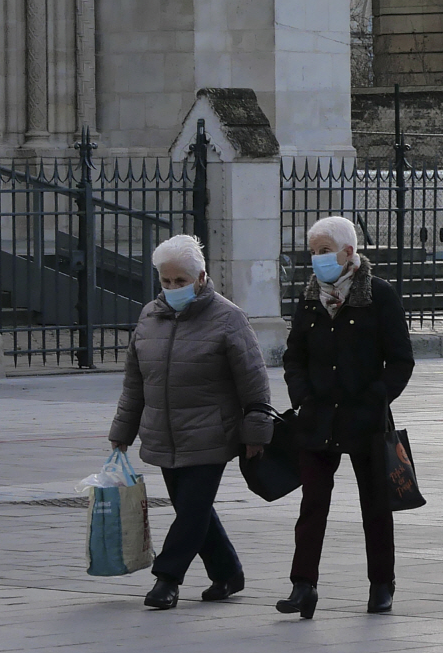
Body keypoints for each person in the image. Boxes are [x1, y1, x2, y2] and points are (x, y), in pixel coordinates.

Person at [108, 234, 272, 610]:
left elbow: (254, 381)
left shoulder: (228, 317)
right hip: (163, 433)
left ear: (200, 277)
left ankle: (167, 579)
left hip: (211, 433)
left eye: (180, 281)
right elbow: (136, 382)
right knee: (191, 509)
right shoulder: (150, 316)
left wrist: (257, 432)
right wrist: (122, 432)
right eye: (165, 281)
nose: (172, 289)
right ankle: (228, 572)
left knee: (193, 509)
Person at [278, 216, 414, 619]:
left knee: (375, 502)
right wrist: (301, 395)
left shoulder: (379, 295)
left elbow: (401, 360)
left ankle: (381, 584)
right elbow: (294, 356)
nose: (317, 259)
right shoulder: (309, 298)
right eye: (313, 252)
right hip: (318, 416)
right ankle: (303, 586)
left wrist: (376, 398)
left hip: (364, 418)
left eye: (323, 251)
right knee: (313, 503)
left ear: (348, 252)